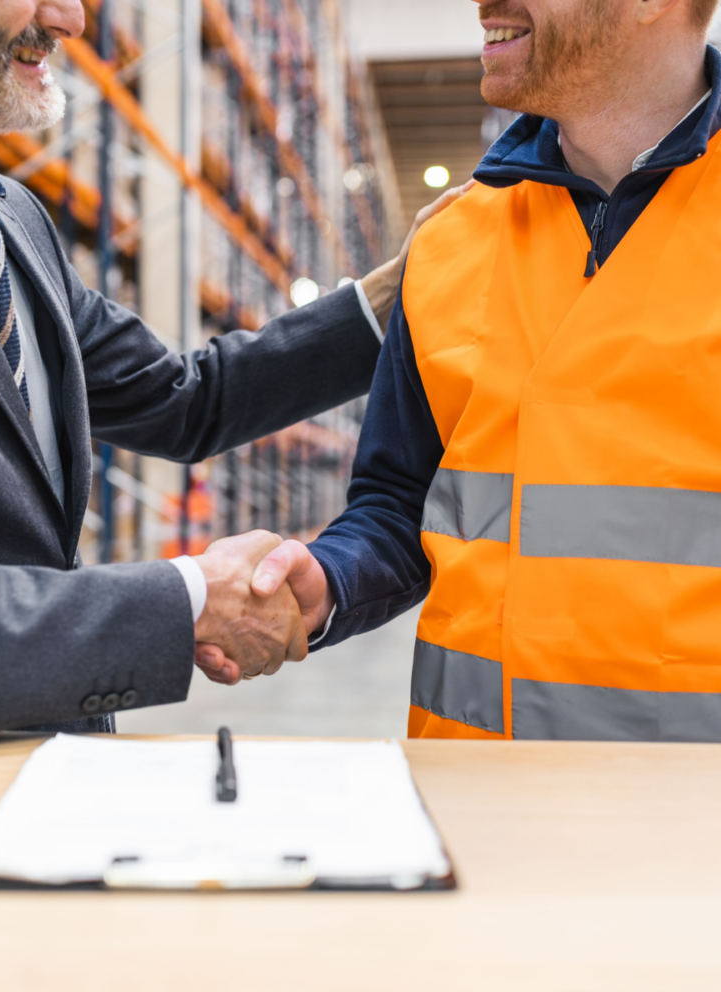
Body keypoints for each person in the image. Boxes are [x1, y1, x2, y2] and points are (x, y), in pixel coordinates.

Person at [0, 0, 447, 750]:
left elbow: (187, 400)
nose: (70, 17)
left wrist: (392, 299)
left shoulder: (7, 216)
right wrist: (191, 598)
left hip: (47, 786)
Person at [221, 0, 721, 742]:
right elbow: (398, 503)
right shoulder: (452, 242)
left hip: (687, 824)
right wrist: (328, 578)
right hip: (472, 797)